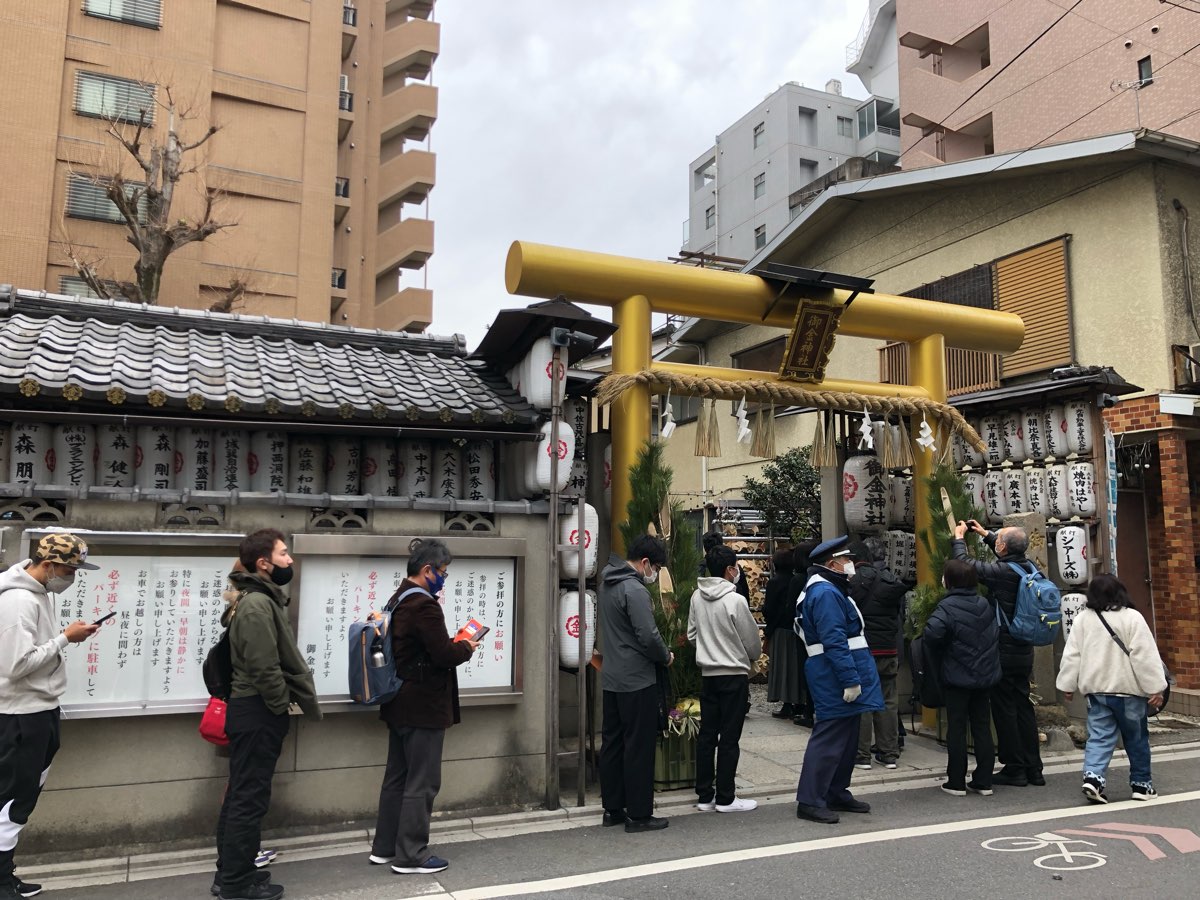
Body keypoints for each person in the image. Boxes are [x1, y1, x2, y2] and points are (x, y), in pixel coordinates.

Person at [214, 529, 321, 900]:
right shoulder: (258, 604)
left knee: (242, 794)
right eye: (283, 554)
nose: (290, 560)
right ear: (264, 563)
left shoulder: (254, 598)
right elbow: (263, 667)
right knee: (248, 798)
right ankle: (236, 884)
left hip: (252, 709)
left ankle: (232, 873)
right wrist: (280, 704)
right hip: (257, 710)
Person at [0, 533, 100, 900]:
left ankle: (4, 873)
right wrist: (63, 640)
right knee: (12, 799)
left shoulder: (38, 593)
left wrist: (63, 636)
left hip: (37, 710)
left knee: (20, 796)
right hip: (21, 714)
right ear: (47, 564)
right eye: (69, 568)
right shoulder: (19, 601)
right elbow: (15, 665)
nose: (72, 575)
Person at [370, 538, 479, 875]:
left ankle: (386, 848)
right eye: (443, 572)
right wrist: (467, 646)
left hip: (399, 702)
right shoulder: (424, 606)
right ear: (427, 570)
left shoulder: (397, 599)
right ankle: (412, 854)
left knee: (397, 778)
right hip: (423, 706)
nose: (444, 579)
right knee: (423, 781)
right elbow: (443, 655)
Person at [794, 536, 885, 825]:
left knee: (845, 737)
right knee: (830, 736)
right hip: (834, 674)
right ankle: (811, 799)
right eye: (845, 560)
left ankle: (835, 790)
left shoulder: (828, 589)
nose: (850, 564)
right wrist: (849, 679)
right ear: (832, 564)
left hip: (836, 671)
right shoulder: (825, 593)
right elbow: (834, 640)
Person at [1057, 574, 1167, 804]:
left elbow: (1072, 654)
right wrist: (1155, 687)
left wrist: (1067, 685)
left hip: (1097, 692)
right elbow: (1144, 656)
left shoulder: (1083, 619)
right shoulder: (1132, 618)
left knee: (1099, 736)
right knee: (1136, 738)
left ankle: (1094, 778)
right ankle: (1141, 785)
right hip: (1129, 691)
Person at [952, 521, 1044, 787]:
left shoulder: (1002, 573)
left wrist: (959, 539)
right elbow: (1008, 553)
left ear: (1002, 547)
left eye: (998, 541)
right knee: (1024, 705)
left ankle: (1014, 768)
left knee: (1004, 708)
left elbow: (967, 565)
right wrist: (986, 535)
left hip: (1003, 649)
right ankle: (1033, 769)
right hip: (1024, 649)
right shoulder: (1030, 568)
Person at [597, 534, 673, 833]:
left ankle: (613, 809)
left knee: (613, 743)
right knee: (638, 746)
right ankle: (639, 814)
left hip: (612, 676)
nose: (655, 574)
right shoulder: (634, 589)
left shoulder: (606, 582)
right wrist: (666, 656)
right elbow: (648, 636)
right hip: (638, 678)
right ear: (645, 563)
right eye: (655, 567)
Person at [689, 545, 763, 814]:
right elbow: (752, 642)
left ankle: (704, 795)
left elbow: (691, 634)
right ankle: (726, 797)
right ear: (730, 569)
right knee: (730, 738)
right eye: (736, 567)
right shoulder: (735, 600)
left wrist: (708, 647)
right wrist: (742, 652)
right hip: (733, 674)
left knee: (707, 735)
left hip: (708, 674)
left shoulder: (697, 597)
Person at [922, 559, 1000, 797]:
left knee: (956, 728)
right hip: (984, 675)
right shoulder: (985, 604)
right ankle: (983, 781)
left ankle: (956, 781)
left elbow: (931, 634)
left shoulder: (947, 607)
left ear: (950, 581)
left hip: (957, 676)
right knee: (982, 727)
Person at [848, 539, 907, 771]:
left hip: (862, 649)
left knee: (863, 700)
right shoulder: (890, 580)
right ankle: (889, 753)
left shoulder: (851, 582)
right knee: (888, 700)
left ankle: (862, 755)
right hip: (888, 648)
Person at [785, 539, 820, 727]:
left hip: (802, 633)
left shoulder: (798, 579)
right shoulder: (820, 577)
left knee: (806, 671)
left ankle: (808, 710)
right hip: (819, 631)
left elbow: (791, 608)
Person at [763, 548, 799, 719]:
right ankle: (798, 702)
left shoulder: (774, 582)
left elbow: (769, 609)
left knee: (782, 667)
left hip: (779, 629)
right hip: (795, 628)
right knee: (794, 668)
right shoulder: (795, 580)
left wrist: (767, 632)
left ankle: (787, 703)